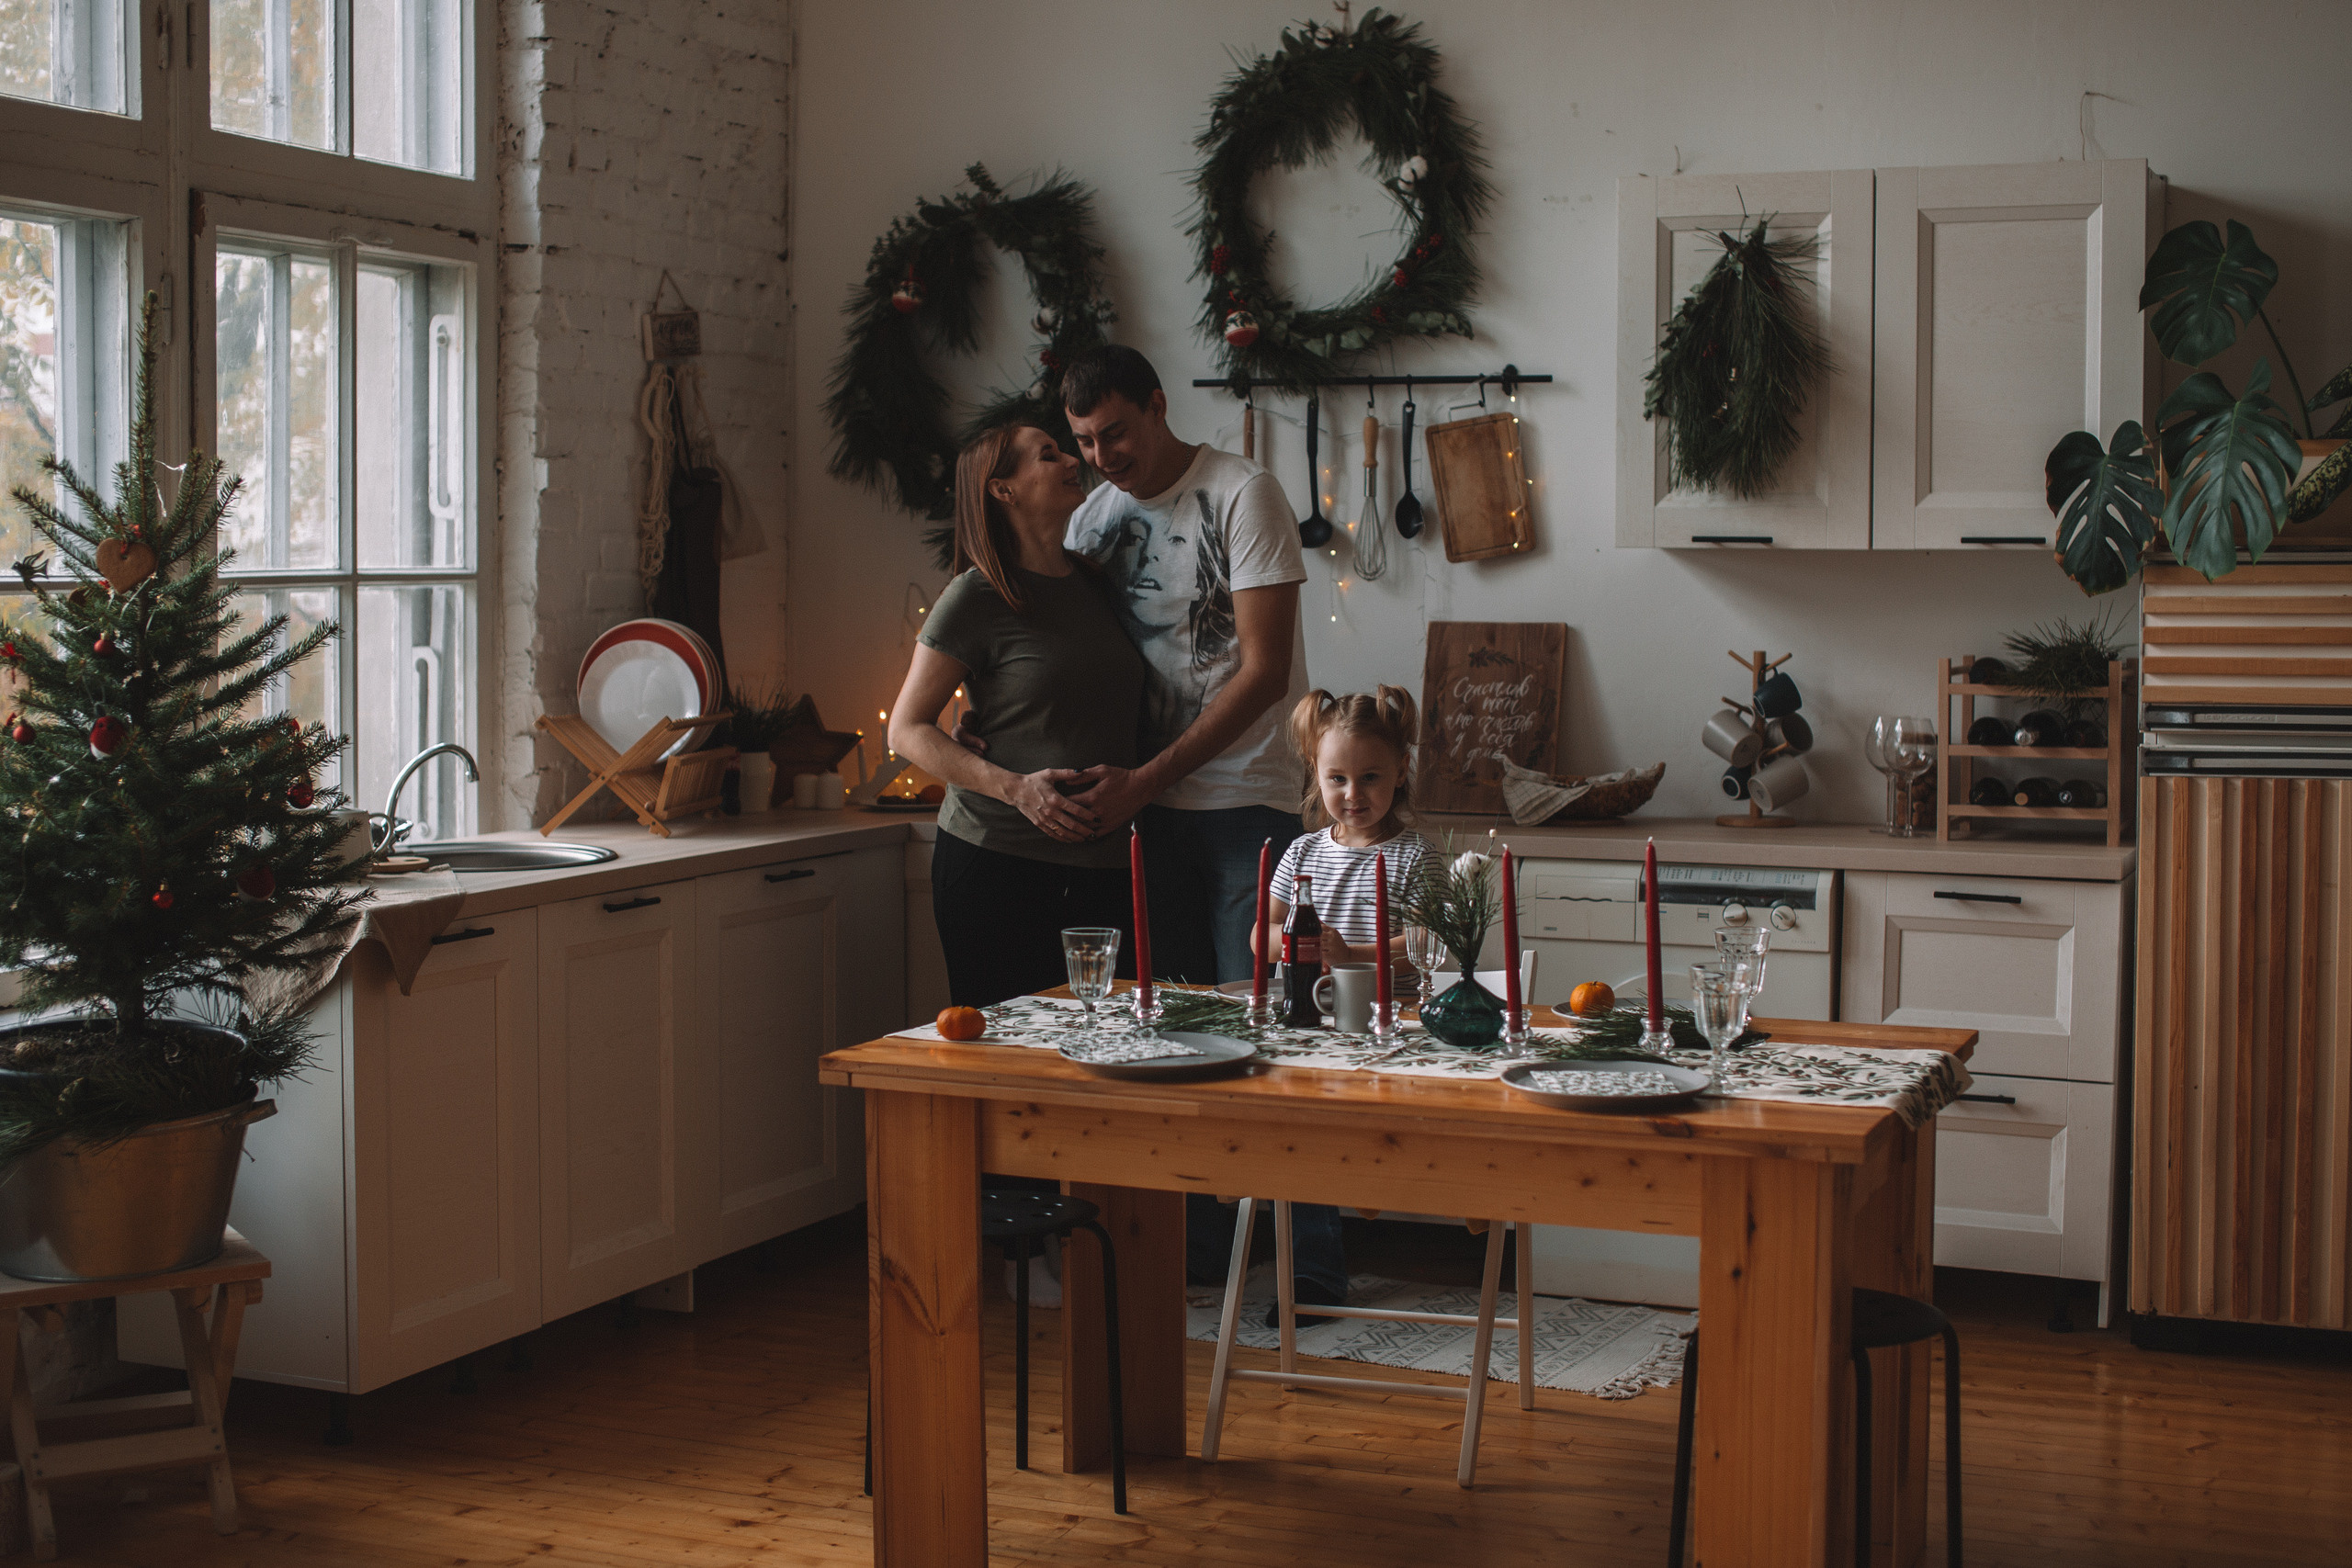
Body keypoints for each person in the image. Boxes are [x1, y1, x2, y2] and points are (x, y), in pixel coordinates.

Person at [884, 424, 1146, 1009]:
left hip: (1103, 864)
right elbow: (904, 728)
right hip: (996, 863)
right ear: (1003, 491)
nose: (1071, 460)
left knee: (1100, 1047)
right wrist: (1016, 789)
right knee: (1005, 1056)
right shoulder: (975, 596)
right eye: (1048, 455)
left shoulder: (1098, 583)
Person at [1238, 685, 1435, 1323]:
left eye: (1370, 777)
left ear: (1401, 770)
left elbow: (1427, 943)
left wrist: (1354, 951)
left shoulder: (1413, 856)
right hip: (1309, 1025)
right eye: (1338, 778)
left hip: (1386, 1029)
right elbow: (1259, 937)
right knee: (1301, 1137)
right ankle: (1315, 1274)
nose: (1353, 794)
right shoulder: (1301, 853)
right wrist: (1297, 942)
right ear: (1314, 775)